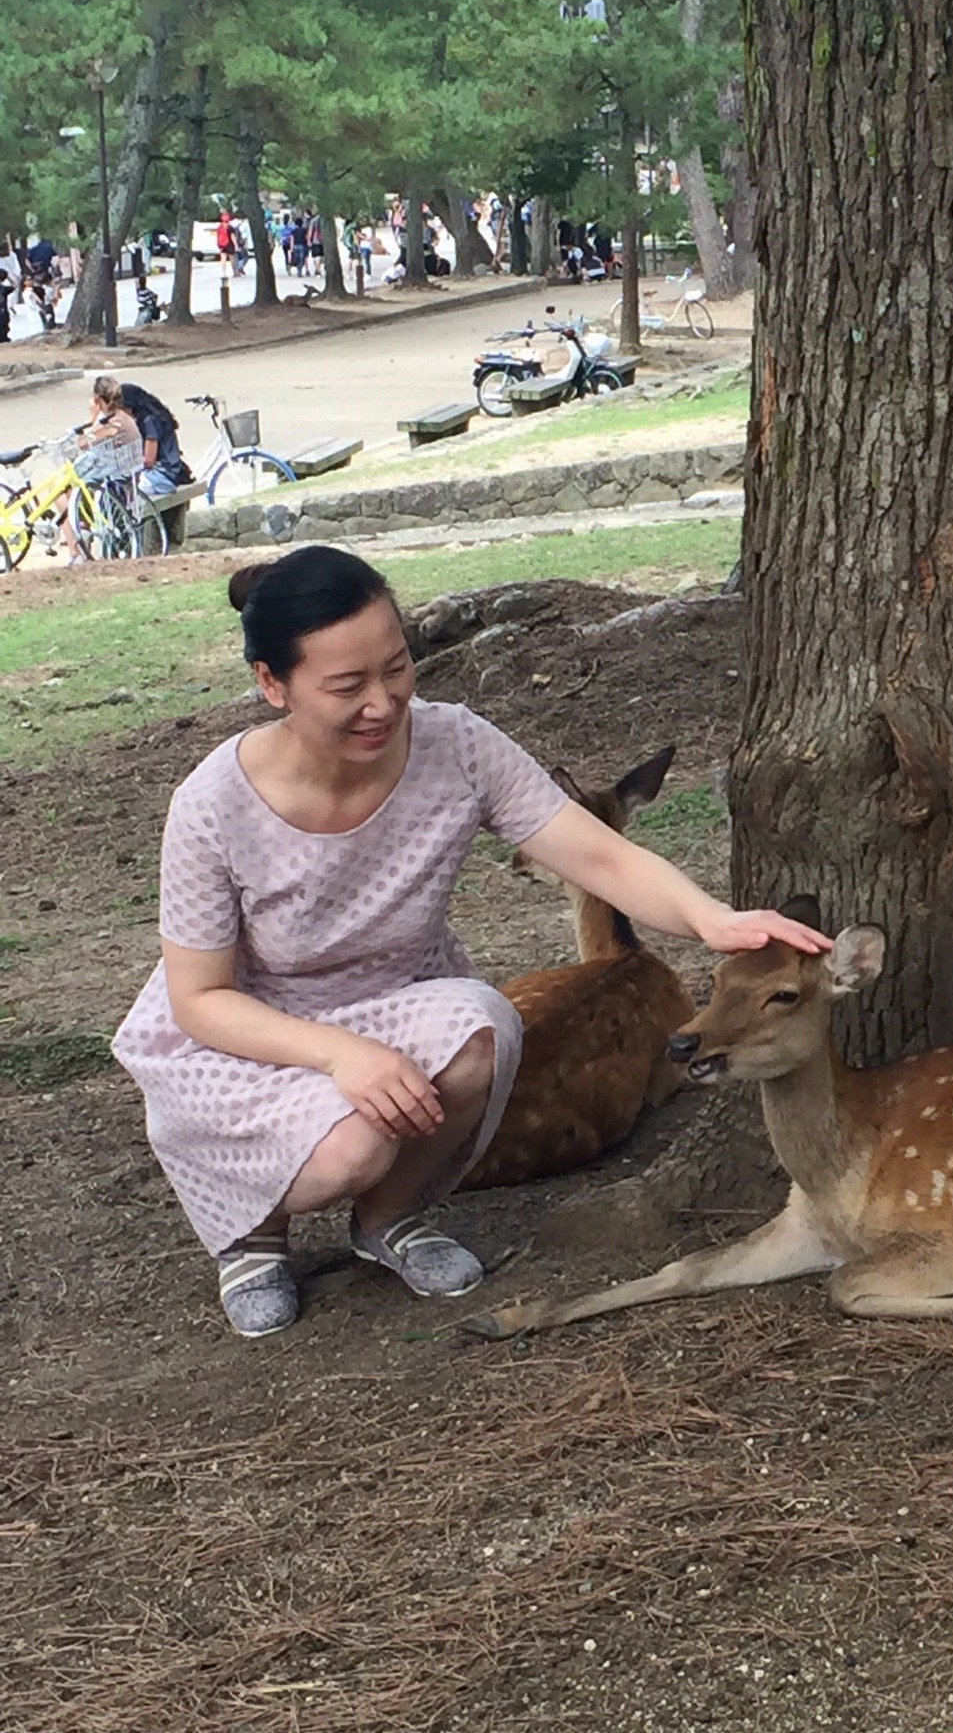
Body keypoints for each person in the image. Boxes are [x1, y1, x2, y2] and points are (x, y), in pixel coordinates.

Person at [111, 547, 832, 1339]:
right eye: (347, 687)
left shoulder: (455, 745)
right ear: (272, 684)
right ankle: (255, 1237)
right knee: (348, 1153)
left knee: (487, 1023)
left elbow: (595, 852)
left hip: (398, 1001)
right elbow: (200, 998)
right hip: (249, 1031)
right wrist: (339, 1055)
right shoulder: (213, 805)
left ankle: (389, 1222)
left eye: (397, 669)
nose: (383, 704)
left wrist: (711, 921)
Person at [55, 375, 142, 564]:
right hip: (124, 475)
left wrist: (92, 418)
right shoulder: (121, 417)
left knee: (59, 492)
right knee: (69, 488)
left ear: (98, 400)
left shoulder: (113, 425)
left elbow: (84, 443)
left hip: (113, 479)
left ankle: (75, 551)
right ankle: (81, 533)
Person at [116, 377, 190, 496]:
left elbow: (149, 460)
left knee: (126, 491)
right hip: (169, 472)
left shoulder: (149, 421)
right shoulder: (155, 415)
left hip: (163, 475)